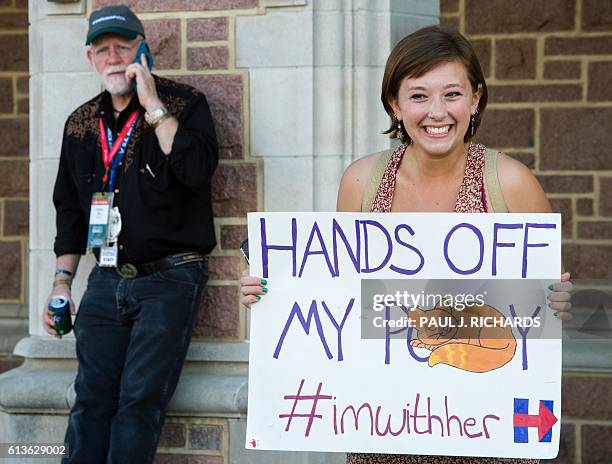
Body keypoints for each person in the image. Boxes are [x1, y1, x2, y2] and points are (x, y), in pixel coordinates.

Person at [240, 25, 572, 463]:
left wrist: (558, 301)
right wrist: (273, 294)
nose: (437, 112)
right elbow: (341, 297)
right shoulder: (362, 182)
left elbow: (539, 311)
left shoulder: (510, 183)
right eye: (419, 96)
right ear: (395, 104)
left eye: (452, 94)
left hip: (484, 431)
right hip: (385, 429)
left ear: (475, 99)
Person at [42, 5, 218, 463]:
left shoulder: (184, 104)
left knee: (139, 401)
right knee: (90, 401)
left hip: (170, 278)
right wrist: (62, 283)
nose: (114, 57)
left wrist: (153, 106)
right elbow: (69, 211)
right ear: (90, 58)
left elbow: (196, 172)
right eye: (103, 50)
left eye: (123, 46)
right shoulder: (81, 124)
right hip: (103, 280)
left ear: (143, 48)